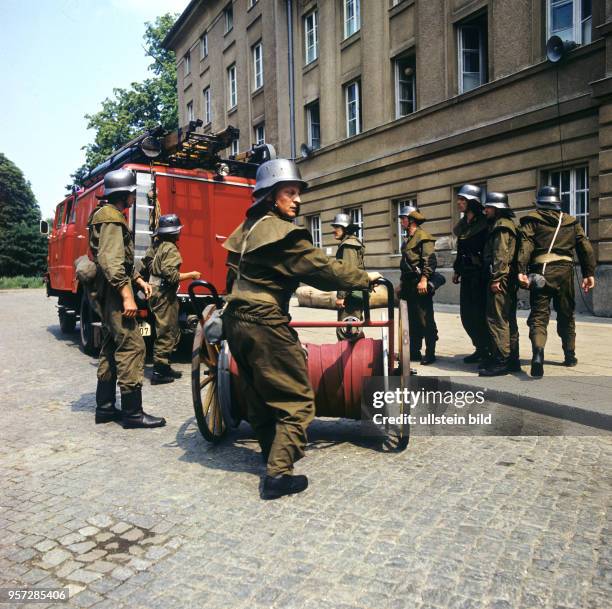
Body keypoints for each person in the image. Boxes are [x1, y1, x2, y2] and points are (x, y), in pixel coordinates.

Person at [222, 159, 380, 500]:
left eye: (297, 193)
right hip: (265, 322)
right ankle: (279, 474)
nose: (297, 200)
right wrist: (365, 279)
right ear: (269, 197)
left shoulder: (247, 232)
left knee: (259, 396)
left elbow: (230, 278)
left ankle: (270, 454)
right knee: (298, 400)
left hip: (236, 320)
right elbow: (323, 270)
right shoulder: (284, 235)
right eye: (289, 192)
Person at [88, 169, 166, 428]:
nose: (134, 196)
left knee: (111, 346)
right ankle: (133, 414)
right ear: (123, 194)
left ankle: (106, 408)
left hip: (111, 290)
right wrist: (127, 296)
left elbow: (119, 258)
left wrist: (139, 280)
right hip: (114, 294)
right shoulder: (111, 218)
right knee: (133, 346)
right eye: (132, 192)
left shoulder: (109, 215)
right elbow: (110, 261)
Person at [517, 186, 596, 378]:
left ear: (540, 203)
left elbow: (525, 247)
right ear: (557, 204)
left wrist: (520, 270)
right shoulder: (571, 222)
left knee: (539, 316)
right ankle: (570, 355)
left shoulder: (532, 221)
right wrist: (589, 273)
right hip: (565, 273)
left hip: (541, 273)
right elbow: (585, 247)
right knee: (567, 314)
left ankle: (538, 354)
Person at [139, 214, 201, 385]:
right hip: (165, 294)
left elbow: (146, 263)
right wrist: (192, 275)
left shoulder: (157, 245)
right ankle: (159, 371)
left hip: (155, 292)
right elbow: (172, 276)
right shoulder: (171, 248)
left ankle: (164, 367)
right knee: (166, 331)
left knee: (165, 329)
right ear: (175, 232)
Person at [479, 192, 520, 377]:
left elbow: (501, 255)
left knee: (497, 319)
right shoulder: (506, 225)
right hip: (507, 278)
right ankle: (512, 360)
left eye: (488, 207)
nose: (485, 210)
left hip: (501, 279)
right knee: (508, 319)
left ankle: (501, 361)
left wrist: (496, 278)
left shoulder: (502, 227)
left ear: (497, 208)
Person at [452, 184, 489, 364]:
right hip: (467, 273)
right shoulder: (462, 225)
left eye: (463, 200)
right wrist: (457, 271)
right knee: (467, 315)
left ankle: (487, 350)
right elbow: (461, 250)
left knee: (481, 315)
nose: (459, 203)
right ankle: (479, 347)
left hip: (481, 276)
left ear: (472, 202)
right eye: (459, 199)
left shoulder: (485, 223)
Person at [398, 206, 438, 365]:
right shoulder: (408, 239)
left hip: (419, 282)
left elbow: (430, 260)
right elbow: (404, 264)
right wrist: (401, 284)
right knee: (412, 320)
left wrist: (424, 280)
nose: (401, 221)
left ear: (411, 220)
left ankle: (430, 353)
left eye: (403, 218)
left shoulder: (423, 237)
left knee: (425, 319)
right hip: (408, 284)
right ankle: (414, 351)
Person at [331, 213, 366, 341]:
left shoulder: (348, 245)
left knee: (346, 332)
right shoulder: (350, 243)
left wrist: (341, 296)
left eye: (337, 227)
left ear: (345, 229)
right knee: (353, 330)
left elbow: (347, 273)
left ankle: (353, 360)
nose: (334, 231)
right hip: (353, 294)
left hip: (350, 296)